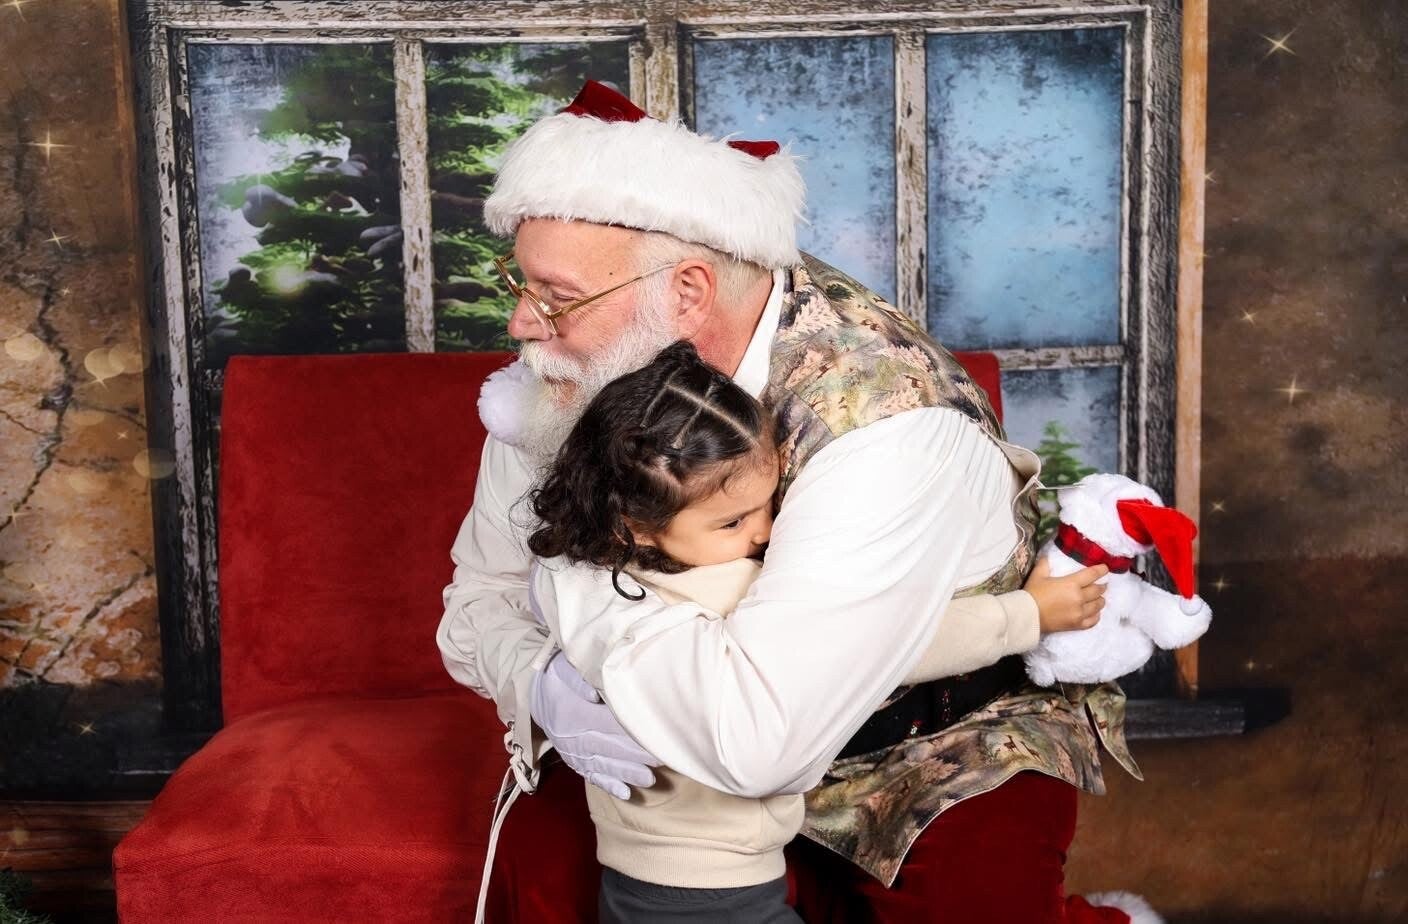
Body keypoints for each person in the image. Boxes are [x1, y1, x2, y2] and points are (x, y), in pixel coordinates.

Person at [439, 80, 1158, 924]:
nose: (522, 324)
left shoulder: (888, 424)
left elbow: (758, 745)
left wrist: (575, 587)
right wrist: (540, 684)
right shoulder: (573, 379)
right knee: (545, 879)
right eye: (521, 285)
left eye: (557, 296)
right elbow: (477, 602)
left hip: (930, 743)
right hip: (672, 750)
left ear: (688, 293)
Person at [514, 340, 1111, 923]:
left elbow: (543, 591)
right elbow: (893, 645)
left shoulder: (580, 575)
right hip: (717, 889)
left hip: (636, 875)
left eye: (770, 503)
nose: (764, 532)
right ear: (636, 526)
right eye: (732, 522)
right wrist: (1026, 616)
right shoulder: (731, 590)